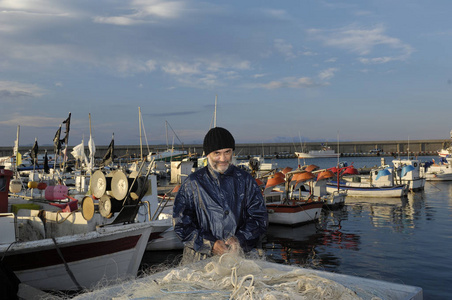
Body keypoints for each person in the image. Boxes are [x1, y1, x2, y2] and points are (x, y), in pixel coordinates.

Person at [172, 127, 268, 264]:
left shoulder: (246, 181)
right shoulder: (192, 183)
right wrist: (210, 244)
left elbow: (259, 219)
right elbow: (181, 224)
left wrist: (239, 239)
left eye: (227, 152)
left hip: (239, 258)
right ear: (207, 154)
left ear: (233, 152)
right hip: (199, 261)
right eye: (217, 153)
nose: (223, 159)